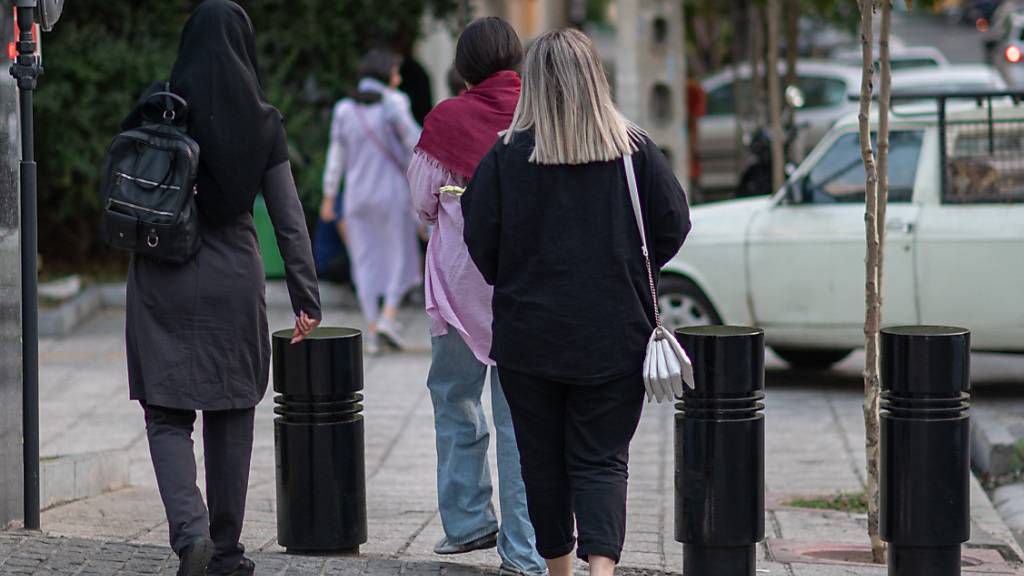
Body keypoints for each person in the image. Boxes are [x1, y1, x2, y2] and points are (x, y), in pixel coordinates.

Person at [461, 29, 691, 576]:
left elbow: (479, 238)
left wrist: (514, 277)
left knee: (540, 463)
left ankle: (560, 572)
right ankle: (601, 573)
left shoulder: (506, 155)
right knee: (602, 461)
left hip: (529, 338)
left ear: (534, 84)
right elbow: (674, 223)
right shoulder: (633, 150)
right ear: (596, 79)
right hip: (614, 335)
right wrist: (630, 271)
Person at [125, 2, 322, 576]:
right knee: (232, 411)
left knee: (166, 415)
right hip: (233, 276)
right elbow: (289, 218)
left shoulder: (159, 105)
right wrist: (306, 297)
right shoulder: (264, 121)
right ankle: (227, 552)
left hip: (161, 270)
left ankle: (190, 537)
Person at [406, 16, 546, 576]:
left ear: (463, 68)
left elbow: (421, 204)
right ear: (517, 58)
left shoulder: (445, 120)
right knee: (522, 421)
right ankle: (524, 550)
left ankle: (467, 523)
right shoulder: (543, 116)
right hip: (526, 292)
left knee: (455, 399)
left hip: (461, 289)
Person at [321, 49, 422, 354]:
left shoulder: (344, 109)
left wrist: (329, 195)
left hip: (356, 196)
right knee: (400, 255)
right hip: (392, 193)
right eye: (395, 72)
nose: (399, 78)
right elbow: (416, 144)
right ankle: (389, 315)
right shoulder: (395, 103)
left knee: (362, 259)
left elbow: (335, 156)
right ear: (385, 74)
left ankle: (373, 326)